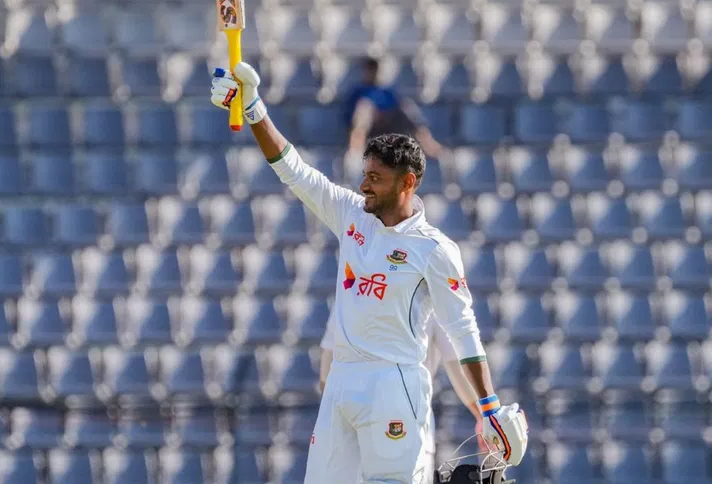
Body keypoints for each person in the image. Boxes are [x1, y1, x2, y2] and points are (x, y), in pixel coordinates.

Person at [210, 63, 528, 484]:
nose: (364, 186)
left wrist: (488, 406)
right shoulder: (350, 215)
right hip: (343, 381)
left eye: (376, 179)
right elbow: (294, 170)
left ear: (407, 183)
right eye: (365, 175)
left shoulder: (434, 249)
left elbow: (462, 329)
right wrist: (253, 109)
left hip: (394, 383)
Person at [321, 309, 487, 484]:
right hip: (409, 424)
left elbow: (327, 371)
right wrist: (482, 416)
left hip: (359, 423)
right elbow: (456, 366)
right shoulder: (432, 291)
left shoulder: (353, 290)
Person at [343, 57, 444, 160]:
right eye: (370, 69)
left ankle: (428, 143)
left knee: (407, 106)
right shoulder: (358, 91)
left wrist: (384, 115)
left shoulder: (386, 91)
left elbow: (396, 106)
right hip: (369, 126)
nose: (373, 73)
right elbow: (350, 117)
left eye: (375, 69)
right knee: (365, 107)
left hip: (388, 124)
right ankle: (356, 148)